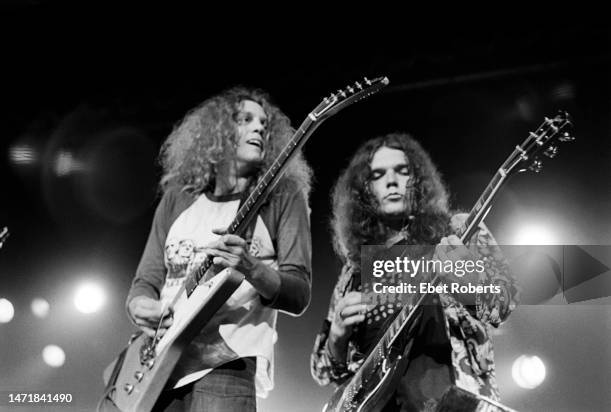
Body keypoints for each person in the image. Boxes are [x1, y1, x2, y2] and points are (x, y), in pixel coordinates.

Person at [127, 87, 312, 411]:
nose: (259, 128)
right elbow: (146, 279)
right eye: (245, 120)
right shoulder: (178, 198)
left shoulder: (282, 196)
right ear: (218, 132)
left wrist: (251, 268)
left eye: (264, 125)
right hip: (158, 367)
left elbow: (298, 294)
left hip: (227, 362)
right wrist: (139, 305)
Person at [311, 133, 519, 411]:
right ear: (364, 191)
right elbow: (326, 372)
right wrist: (337, 338)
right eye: (378, 175)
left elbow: (503, 304)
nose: (392, 181)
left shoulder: (456, 231)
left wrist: (467, 280)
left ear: (417, 179)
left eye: (402, 171)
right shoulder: (356, 269)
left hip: (452, 401)